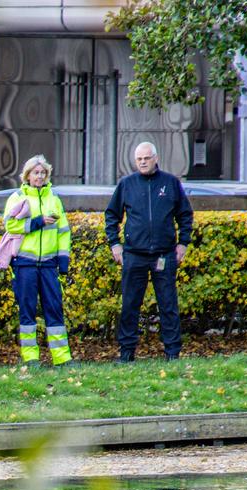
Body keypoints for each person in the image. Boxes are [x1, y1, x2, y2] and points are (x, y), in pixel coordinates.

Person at [104, 141, 194, 362]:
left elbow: (185, 215)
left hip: (164, 254)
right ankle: (126, 353)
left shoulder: (171, 183)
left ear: (156, 158)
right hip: (134, 255)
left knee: (168, 304)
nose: (143, 162)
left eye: (146, 158)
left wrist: (183, 243)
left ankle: (172, 352)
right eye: (139, 159)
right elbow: (111, 215)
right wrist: (115, 244)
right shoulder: (126, 184)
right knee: (130, 304)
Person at [2, 155, 73, 368]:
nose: (39, 176)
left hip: (50, 263)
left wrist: (63, 260)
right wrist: (38, 222)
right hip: (25, 263)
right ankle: (31, 357)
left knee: (54, 308)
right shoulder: (17, 197)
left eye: (43, 173)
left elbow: (63, 232)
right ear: (28, 175)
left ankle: (62, 358)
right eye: (36, 173)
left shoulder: (54, 199)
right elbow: (10, 226)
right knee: (28, 310)